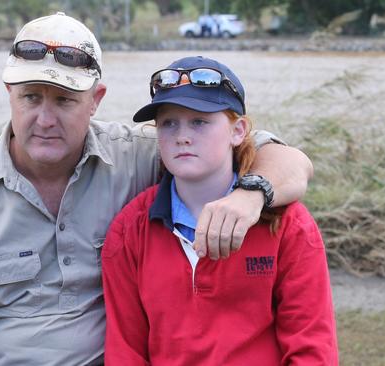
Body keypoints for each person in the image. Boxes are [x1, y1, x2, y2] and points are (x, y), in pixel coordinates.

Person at [0, 12, 314, 366]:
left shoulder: (145, 155)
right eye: (31, 98)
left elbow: (284, 158)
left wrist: (250, 194)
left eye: (64, 100)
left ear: (96, 100)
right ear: (9, 94)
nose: (44, 118)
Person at [102, 56, 338, 365]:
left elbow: (312, 349)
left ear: (238, 131)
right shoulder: (130, 229)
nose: (182, 135)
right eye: (168, 122)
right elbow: (125, 352)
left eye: (200, 121)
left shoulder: (287, 223)